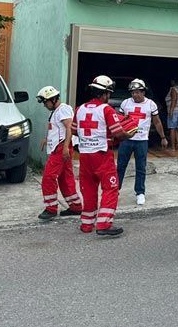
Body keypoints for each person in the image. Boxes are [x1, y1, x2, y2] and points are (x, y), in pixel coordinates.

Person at [73, 75, 135, 236]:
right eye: (109, 93)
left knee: (88, 189)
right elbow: (118, 133)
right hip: (101, 156)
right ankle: (104, 224)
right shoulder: (107, 110)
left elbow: (74, 130)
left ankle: (87, 224)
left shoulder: (80, 109)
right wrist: (129, 135)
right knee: (111, 188)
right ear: (105, 93)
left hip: (85, 156)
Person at [36, 86, 83, 220]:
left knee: (48, 177)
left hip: (61, 148)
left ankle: (51, 208)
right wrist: (47, 139)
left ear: (52, 99)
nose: (45, 105)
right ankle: (75, 206)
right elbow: (57, 130)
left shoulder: (63, 109)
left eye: (45, 102)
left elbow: (69, 128)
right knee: (65, 179)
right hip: (60, 147)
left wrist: (66, 147)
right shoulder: (55, 112)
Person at [118, 79, 167, 205]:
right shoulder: (125, 103)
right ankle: (115, 190)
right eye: (133, 92)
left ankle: (140, 192)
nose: (135, 95)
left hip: (142, 141)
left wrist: (163, 137)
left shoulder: (150, 104)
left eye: (138, 92)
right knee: (120, 166)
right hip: (126, 140)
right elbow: (119, 120)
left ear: (143, 92)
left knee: (141, 168)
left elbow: (157, 122)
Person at [165, 79, 178, 150]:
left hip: (175, 111)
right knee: (176, 127)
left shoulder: (174, 89)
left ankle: (173, 148)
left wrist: (171, 111)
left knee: (172, 128)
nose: (171, 82)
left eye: (172, 81)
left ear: (174, 81)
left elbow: (174, 100)